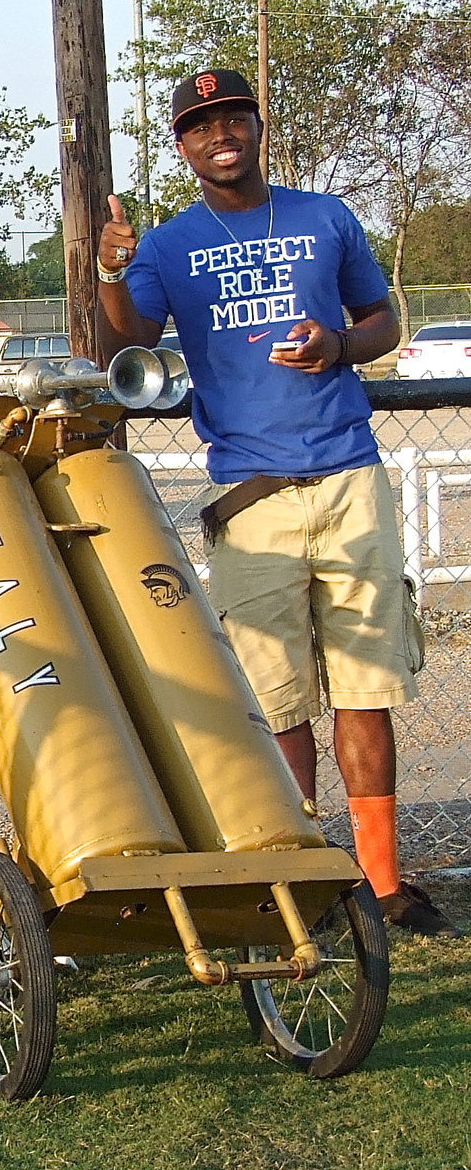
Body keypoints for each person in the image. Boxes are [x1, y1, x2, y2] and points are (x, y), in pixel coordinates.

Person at [96, 68, 459, 938]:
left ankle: (380, 882)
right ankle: (299, 877)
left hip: (348, 479)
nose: (218, 134)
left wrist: (337, 343)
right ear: (181, 147)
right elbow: (129, 339)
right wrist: (108, 268)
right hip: (249, 495)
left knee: (364, 694)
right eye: (198, 125)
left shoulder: (324, 217)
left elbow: (383, 322)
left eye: (232, 117)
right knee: (277, 700)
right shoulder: (171, 244)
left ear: (257, 127)